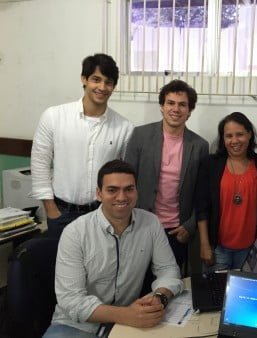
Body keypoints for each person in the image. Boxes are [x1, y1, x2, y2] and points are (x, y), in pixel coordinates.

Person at [43, 160, 183, 338]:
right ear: (99, 194)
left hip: (127, 323)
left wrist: (160, 297)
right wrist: (127, 315)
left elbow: (168, 269)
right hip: (76, 325)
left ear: (136, 192)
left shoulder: (151, 223)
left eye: (129, 189)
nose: (122, 197)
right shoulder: (75, 232)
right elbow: (71, 301)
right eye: (112, 190)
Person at [31, 53, 134, 238]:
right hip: (62, 213)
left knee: (100, 266)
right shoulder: (54, 117)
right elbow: (40, 164)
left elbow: (124, 176)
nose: (102, 87)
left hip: (103, 214)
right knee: (62, 266)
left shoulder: (124, 127)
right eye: (96, 79)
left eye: (108, 82)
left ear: (114, 87)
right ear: (84, 79)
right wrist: (51, 209)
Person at [124, 80, 208, 272]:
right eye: (170, 103)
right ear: (161, 106)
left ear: (190, 110)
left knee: (169, 285)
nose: (175, 109)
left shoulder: (200, 146)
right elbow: (126, 181)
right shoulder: (140, 135)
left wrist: (190, 225)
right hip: (140, 226)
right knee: (137, 284)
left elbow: (202, 194)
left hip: (176, 231)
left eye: (182, 104)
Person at [196, 112, 257, 271]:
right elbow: (202, 207)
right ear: (223, 139)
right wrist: (204, 244)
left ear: (250, 134)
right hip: (217, 249)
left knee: (245, 295)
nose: (234, 140)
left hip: (252, 251)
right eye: (229, 136)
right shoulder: (210, 164)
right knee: (214, 294)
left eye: (240, 134)